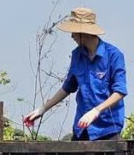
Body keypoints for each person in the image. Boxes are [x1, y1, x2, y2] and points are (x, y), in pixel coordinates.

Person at [23, 7, 127, 141]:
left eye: (74, 32)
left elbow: (120, 91)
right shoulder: (77, 55)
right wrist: (42, 109)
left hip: (107, 129)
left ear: (83, 33)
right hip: (82, 128)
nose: (72, 36)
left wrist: (96, 111)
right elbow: (68, 87)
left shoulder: (114, 55)